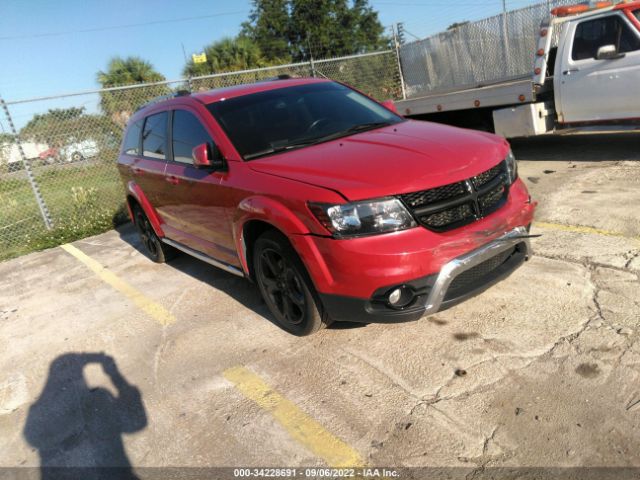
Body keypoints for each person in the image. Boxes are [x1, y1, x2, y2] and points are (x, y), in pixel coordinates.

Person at [24, 353, 147, 480]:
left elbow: (35, 438)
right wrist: (114, 375)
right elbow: (137, 422)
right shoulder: (101, 396)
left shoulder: (40, 411)